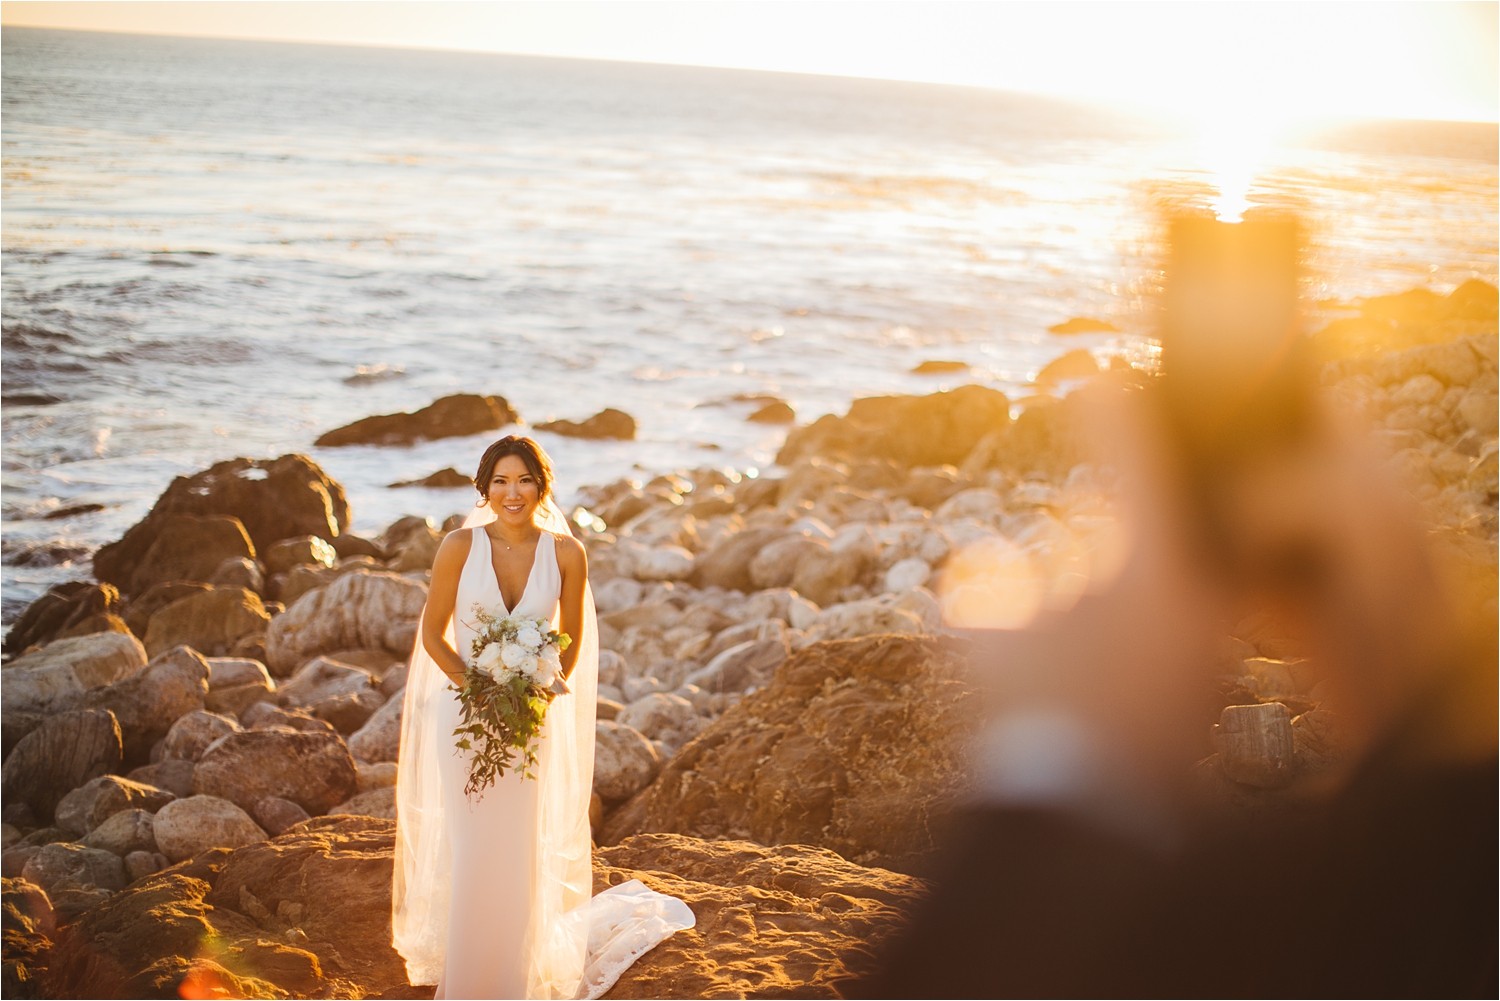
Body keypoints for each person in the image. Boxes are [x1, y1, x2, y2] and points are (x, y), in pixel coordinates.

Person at [391, 435, 693, 1000]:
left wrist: (541, 692)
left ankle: (515, 978)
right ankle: (469, 981)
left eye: (524, 480)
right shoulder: (458, 546)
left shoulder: (566, 553)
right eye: (501, 481)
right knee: (475, 848)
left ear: (541, 486)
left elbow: (571, 640)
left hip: (532, 720)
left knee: (521, 849)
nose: (512, 493)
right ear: (485, 488)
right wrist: (477, 691)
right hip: (463, 721)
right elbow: (432, 636)